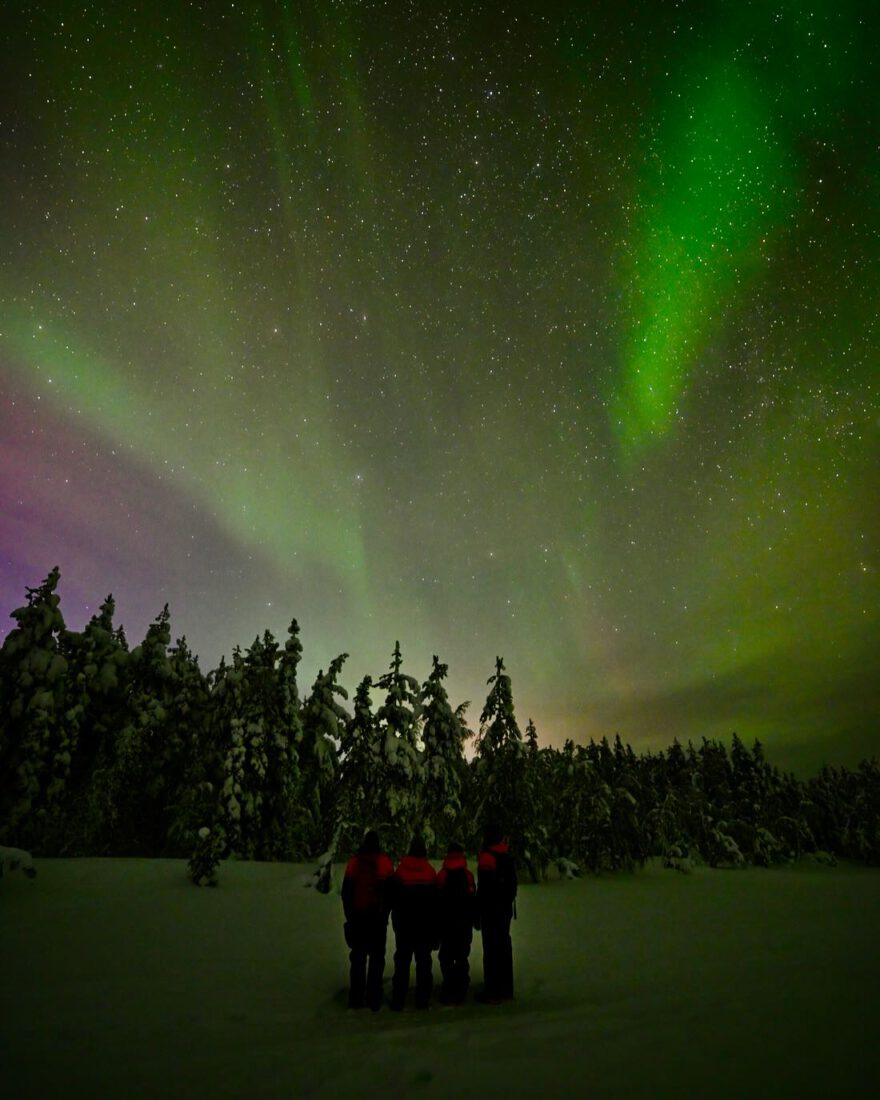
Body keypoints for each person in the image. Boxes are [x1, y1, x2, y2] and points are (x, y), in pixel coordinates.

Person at [341, 830, 394, 1011]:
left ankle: (356, 998)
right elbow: (391, 894)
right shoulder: (385, 863)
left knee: (358, 958)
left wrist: (351, 916)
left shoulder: (354, 863)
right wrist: (385, 915)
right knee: (377, 959)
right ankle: (373, 997)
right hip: (378, 920)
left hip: (358, 918)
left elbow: (346, 893)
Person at [389, 835, 438, 1010]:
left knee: (402, 961)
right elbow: (435, 904)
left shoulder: (401, 872)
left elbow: (392, 899)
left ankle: (398, 998)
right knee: (424, 962)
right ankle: (422, 999)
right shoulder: (430, 872)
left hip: (404, 926)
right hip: (424, 927)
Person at [476, 822, 517, 1003]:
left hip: (491, 910)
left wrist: (478, 910)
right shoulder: (505, 854)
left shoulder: (487, 857)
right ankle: (506, 988)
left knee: (491, 950)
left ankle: (492, 991)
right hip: (505, 909)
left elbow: (484, 889)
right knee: (504, 948)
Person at [436, 841, 476, 1005]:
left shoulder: (442, 875)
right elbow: (473, 899)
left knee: (445, 956)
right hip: (464, 923)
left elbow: (436, 900)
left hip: (446, 923)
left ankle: (449, 985)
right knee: (462, 956)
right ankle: (461, 987)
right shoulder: (468, 876)